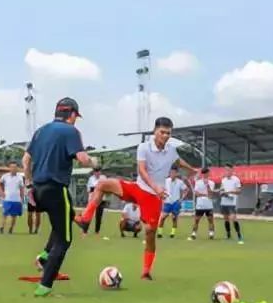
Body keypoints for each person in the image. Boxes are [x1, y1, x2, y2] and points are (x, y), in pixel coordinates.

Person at [77, 116, 199, 280]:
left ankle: (146, 271)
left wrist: (192, 169)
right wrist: (155, 186)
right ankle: (85, 219)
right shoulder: (144, 147)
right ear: (155, 131)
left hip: (153, 197)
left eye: (168, 133)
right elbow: (142, 170)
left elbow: (178, 160)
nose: (165, 136)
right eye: (162, 132)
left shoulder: (170, 150)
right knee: (101, 184)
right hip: (138, 188)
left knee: (150, 233)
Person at [25, 98, 97, 297]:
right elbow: (82, 158)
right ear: (72, 114)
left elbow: (26, 160)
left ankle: (44, 257)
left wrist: (29, 183)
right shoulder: (70, 131)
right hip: (56, 189)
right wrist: (94, 163)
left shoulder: (40, 131)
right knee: (64, 240)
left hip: (38, 189)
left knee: (64, 219)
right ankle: (44, 286)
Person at [158, 167, 189, 239]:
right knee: (163, 217)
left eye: (174, 173)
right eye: (171, 172)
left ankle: (172, 233)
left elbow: (186, 189)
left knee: (174, 218)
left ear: (176, 173)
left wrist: (181, 199)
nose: (172, 174)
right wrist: (162, 195)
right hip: (167, 201)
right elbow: (161, 189)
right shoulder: (166, 181)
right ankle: (159, 233)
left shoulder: (180, 182)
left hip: (176, 202)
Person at [0, 162, 25, 234]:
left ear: (17, 168)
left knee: (14, 216)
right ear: (9, 168)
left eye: (15, 167)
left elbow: (22, 189)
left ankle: (11, 229)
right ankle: (1, 227)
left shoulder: (20, 177)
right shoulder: (5, 176)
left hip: (16, 199)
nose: (13, 169)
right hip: (7, 199)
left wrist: (22, 199)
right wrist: (1, 192)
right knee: (4, 214)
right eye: (12, 167)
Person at [219, 164, 245, 244]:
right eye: (225, 170)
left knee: (233, 218)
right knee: (226, 218)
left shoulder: (236, 179)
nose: (227, 171)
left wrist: (229, 192)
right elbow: (221, 189)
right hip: (224, 202)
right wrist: (221, 193)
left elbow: (239, 191)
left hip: (232, 202)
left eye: (228, 170)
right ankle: (228, 234)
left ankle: (239, 235)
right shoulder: (223, 180)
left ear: (232, 170)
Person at [189, 168, 217, 240]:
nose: (205, 175)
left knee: (210, 220)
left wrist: (207, 185)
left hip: (209, 205)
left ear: (208, 174)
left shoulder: (211, 183)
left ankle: (211, 234)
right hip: (200, 205)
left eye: (207, 173)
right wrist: (205, 195)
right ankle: (193, 234)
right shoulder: (198, 182)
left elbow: (210, 194)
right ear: (202, 174)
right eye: (204, 173)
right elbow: (196, 193)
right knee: (197, 220)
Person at [84, 168, 106, 237]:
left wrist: (98, 188)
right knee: (89, 215)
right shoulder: (91, 179)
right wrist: (97, 188)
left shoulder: (103, 178)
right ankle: (85, 230)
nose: (98, 173)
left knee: (99, 216)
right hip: (92, 199)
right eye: (96, 172)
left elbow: (105, 187)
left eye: (99, 172)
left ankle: (97, 231)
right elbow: (89, 189)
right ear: (94, 172)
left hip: (101, 199)